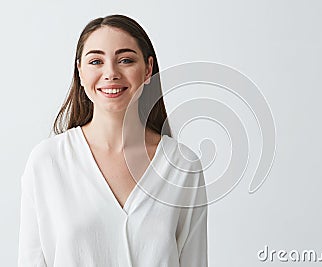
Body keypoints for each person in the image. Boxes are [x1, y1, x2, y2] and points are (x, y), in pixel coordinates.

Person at [18, 14, 208, 267]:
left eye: (126, 60)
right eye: (96, 61)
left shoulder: (183, 166)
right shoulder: (47, 162)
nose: (111, 73)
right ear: (80, 71)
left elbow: (195, 261)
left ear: (148, 69)